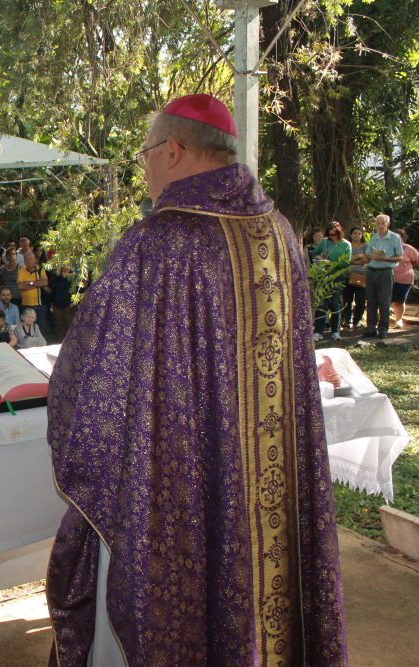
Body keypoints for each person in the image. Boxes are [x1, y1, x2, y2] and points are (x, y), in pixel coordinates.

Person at [46, 94, 346, 666]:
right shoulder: (280, 233)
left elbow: (89, 373)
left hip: (185, 486)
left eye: (147, 154)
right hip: (269, 480)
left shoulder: (157, 243)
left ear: (175, 151)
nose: (147, 169)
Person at [358, 213, 403, 339]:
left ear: (388, 224)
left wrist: (385, 258)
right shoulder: (374, 237)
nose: (380, 226)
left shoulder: (395, 238)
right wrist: (371, 256)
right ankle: (370, 328)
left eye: (382, 223)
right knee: (371, 301)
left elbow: (400, 256)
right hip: (372, 271)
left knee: (384, 301)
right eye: (377, 223)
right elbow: (367, 254)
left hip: (386, 272)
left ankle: (383, 329)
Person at [312, 224, 351, 341]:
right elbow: (314, 253)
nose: (332, 236)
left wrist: (332, 263)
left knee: (335, 303)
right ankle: (318, 331)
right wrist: (319, 257)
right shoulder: (324, 242)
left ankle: (335, 331)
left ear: (339, 233)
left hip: (338, 277)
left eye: (334, 234)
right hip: (323, 276)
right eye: (330, 234)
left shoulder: (346, 244)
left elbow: (346, 262)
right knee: (321, 304)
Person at [391, 228, 419, 330]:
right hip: (389, 278)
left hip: (405, 278)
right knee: (388, 300)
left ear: (403, 238)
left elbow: (416, 261)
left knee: (399, 300)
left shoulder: (409, 248)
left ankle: (399, 320)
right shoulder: (388, 247)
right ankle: (385, 322)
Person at [342, 226, 368, 331]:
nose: (357, 235)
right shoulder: (346, 245)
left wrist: (352, 260)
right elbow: (344, 260)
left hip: (362, 277)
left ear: (362, 235)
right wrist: (358, 257)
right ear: (351, 235)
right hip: (347, 276)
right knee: (347, 300)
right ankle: (347, 321)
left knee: (360, 301)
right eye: (354, 233)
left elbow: (365, 260)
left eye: (359, 233)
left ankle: (356, 322)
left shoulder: (366, 246)